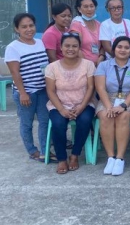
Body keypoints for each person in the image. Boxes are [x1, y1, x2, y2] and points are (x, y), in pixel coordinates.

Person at [45, 33, 96, 174]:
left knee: (85, 120)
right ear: (61, 48)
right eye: (67, 46)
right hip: (59, 104)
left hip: (83, 102)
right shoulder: (52, 67)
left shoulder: (88, 65)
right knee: (58, 124)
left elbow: (91, 87)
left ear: (79, 48)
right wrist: (61, 109)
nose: (71, 49)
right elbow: (50, 90)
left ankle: (75, 155)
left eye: (75, 46)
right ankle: (62, 159)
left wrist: (81, 107)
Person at [94, 36, 130, 176]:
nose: (123, 50)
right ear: (114, 49)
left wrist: (123, 105)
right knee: (105, 116)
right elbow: (100, 88)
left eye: (127, 48)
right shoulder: (103, 65)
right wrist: (108, 106)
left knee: (123, 117)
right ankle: (110, 157)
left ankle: (120, 158)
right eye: (119, 47)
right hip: (108, 98)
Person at [6, 13, 52, 162]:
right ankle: (32, 151)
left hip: (42, 90)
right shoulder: (13, 47)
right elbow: (15, 72)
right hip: (26, 93)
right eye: (24, 27)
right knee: (27, 123)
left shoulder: (39, 42)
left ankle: (45, 150)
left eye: (31, 25)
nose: (28, 29)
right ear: (17, 29)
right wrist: (23, 93)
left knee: (45, 121)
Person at [70, 0, 105, 66]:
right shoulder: (76, 24)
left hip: (98, 65)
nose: (89, 9)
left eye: (92, 6)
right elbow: (75, 47)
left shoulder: (99, 24)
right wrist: (87, 65)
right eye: (85, 7)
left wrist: (101, 57)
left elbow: (102, 46)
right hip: (82, 65)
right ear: (79, 9)